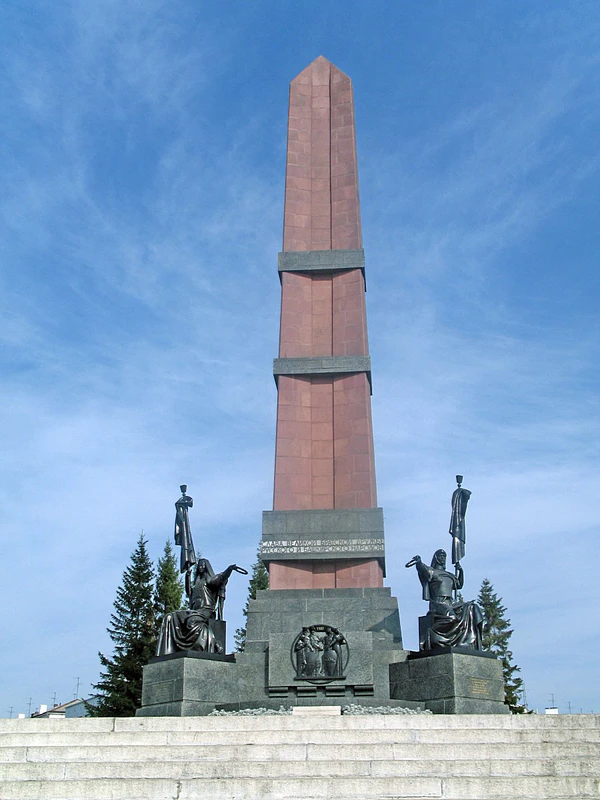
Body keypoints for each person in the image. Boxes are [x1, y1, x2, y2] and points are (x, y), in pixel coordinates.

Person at [156, 559, 244, 656]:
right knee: (170, 617)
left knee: (192, 621)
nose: (200, 567)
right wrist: (187, 576)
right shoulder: (196, 583)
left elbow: (222, 577)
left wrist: (229, 569)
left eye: (202, 565)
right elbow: (189, 592)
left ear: (207, 567)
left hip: (207, 611)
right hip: (195, 611)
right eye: (199, 566)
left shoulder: (210, 581)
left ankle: (213, 642)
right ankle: (168, 652)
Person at [406, 549, 483, 650]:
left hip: (450, 604)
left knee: (472, 608)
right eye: (441, 556)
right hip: (438, 604)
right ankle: (431, 633)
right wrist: (419, 562)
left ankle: (466, 642)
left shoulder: (450, 575)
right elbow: (423, 569)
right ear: (436, 558)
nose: (443, 558)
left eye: (444, 556)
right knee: (452, 618)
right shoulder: (432, 572)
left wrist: (461, 571)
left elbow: (459, 585)